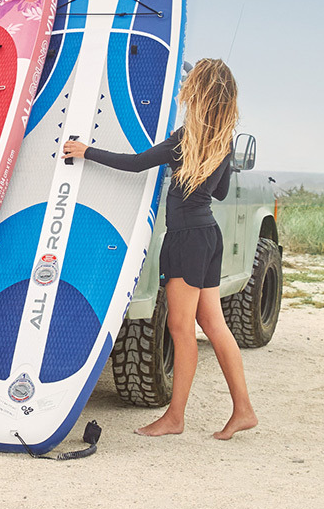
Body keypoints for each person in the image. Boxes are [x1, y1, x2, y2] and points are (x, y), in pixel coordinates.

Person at [61, 58, 258, 440]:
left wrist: (86, 151)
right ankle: (243, 410)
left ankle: (175, 418)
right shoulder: (223, 140)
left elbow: (136, 164)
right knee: (213, 325)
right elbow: (219, 192)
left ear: (198, 92)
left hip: (186, 240)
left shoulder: (186, 138)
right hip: (208, 236)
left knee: (180, 328)